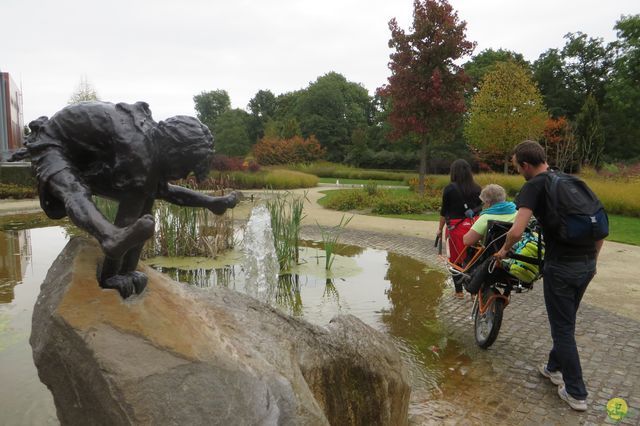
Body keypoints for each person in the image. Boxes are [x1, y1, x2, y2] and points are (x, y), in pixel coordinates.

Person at [9, 101, 239, 299]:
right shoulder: (138, 150)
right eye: (185, 169)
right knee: (74, 190)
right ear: (175, 153)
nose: (182, 176)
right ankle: (107, 238)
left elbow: (153, 203)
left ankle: (121, 264)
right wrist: (111, 276)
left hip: (84, 157)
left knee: (144, 199)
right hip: (52, 143)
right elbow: (128, 222)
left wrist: (210, 202)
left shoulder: (150, 144)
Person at [495, 140, 604, 412]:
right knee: (566, 319)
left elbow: (517, 230)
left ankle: (576, 392)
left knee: (563, 328)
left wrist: (504, 250)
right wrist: (593, 262)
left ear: (525, 165)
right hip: (587, 264)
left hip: (561, 268)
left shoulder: (535, 185)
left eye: (517, 167)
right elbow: (600, 227)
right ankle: (553, 368)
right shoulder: (571, 181)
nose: (519, 171)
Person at [437, 159, 482, 298]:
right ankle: (474, 291)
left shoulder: (449, 189)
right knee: (473, 258)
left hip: (455, 228)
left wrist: (440, 229)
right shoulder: (477, 188)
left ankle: (459, 292)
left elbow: (444, 212)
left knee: (455, 260)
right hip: (475, 226)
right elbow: (481, 207)